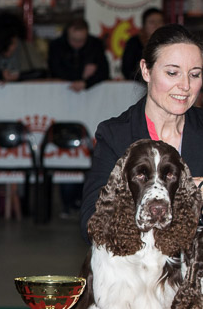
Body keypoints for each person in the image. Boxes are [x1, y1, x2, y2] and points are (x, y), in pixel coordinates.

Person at [80, 24, 203, 241]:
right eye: (172, 73)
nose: (185, 85)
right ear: (146, 70)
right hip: (138, 269)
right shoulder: (115, 135)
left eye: (195, 74)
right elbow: (92, 222)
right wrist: (181, 194)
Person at [47, 18, 110, 92]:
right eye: (73, 39)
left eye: (81, 40)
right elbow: (55, 71)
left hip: (92, 92)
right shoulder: (56, 46)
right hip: (61, 91)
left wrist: (86, 83)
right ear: (67, 34)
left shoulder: (95, 45)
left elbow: (104, 71)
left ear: (87, 35)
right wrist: (83, 76)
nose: (77, 44)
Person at [121, 7, 165, 81]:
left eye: (159, 22)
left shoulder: (168, 42)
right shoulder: (134, 42)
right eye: (152, 22)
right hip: (138, 84)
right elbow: (127, 69)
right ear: (144, 25)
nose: (156, 25)